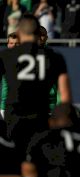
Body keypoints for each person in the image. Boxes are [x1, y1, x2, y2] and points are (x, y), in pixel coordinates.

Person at [0, 14, 72, 156]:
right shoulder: (54, 57)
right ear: (39, 33)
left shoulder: (6, 55)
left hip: (13, 118)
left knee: (15, 160)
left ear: (19, 32)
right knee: (38, 159)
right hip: (41, 117)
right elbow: (65, 95)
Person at [0, 32, 20, 120]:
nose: (14, 46)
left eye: (17, 43)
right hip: (4, 107)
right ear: (8, 44)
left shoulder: (28, 61)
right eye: (11, 43)